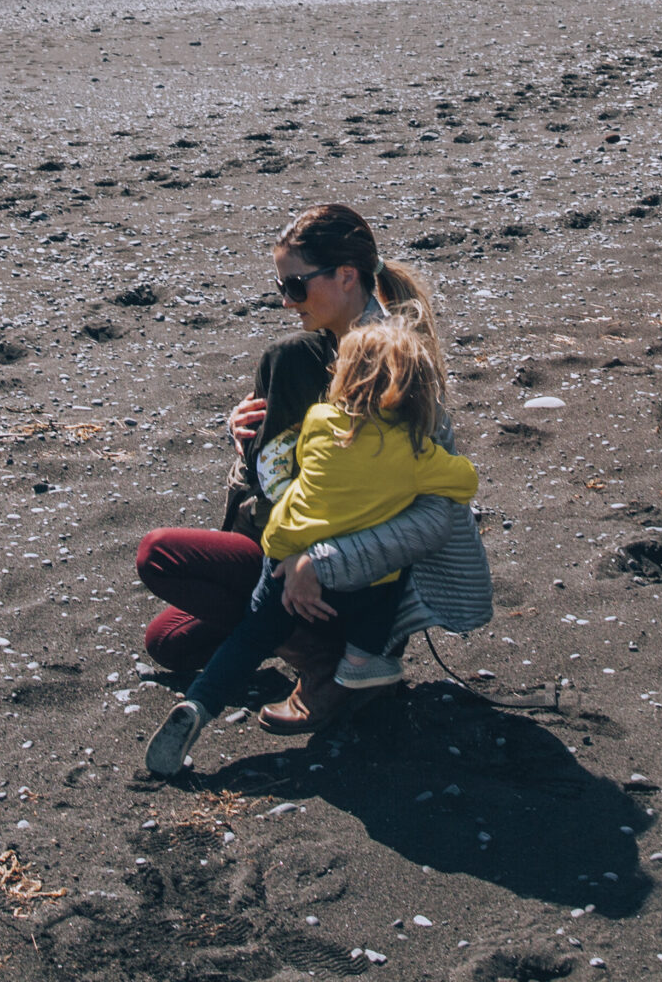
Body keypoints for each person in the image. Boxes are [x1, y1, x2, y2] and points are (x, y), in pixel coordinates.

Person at [131, 203, 491, 735]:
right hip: (289, 541)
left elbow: (437, 514)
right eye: (282, 286)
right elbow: (276, 468)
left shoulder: (397, 365)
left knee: (158, 553)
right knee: (169, 643)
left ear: (346, 276)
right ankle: (313, 645)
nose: (285, 300)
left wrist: (316, 561)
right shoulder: (305, 354)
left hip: (354, 576)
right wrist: (242, 437)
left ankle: (331, 665)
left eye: (296, 286)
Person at [145, 317, 478, 777]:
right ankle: (361, 663)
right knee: (390, 580)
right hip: (352, 583)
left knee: (249, 638)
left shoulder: (320, 422)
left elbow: (293, 465)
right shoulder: (416, 454)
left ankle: (200, 704)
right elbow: (465, 482)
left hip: (281, 554)